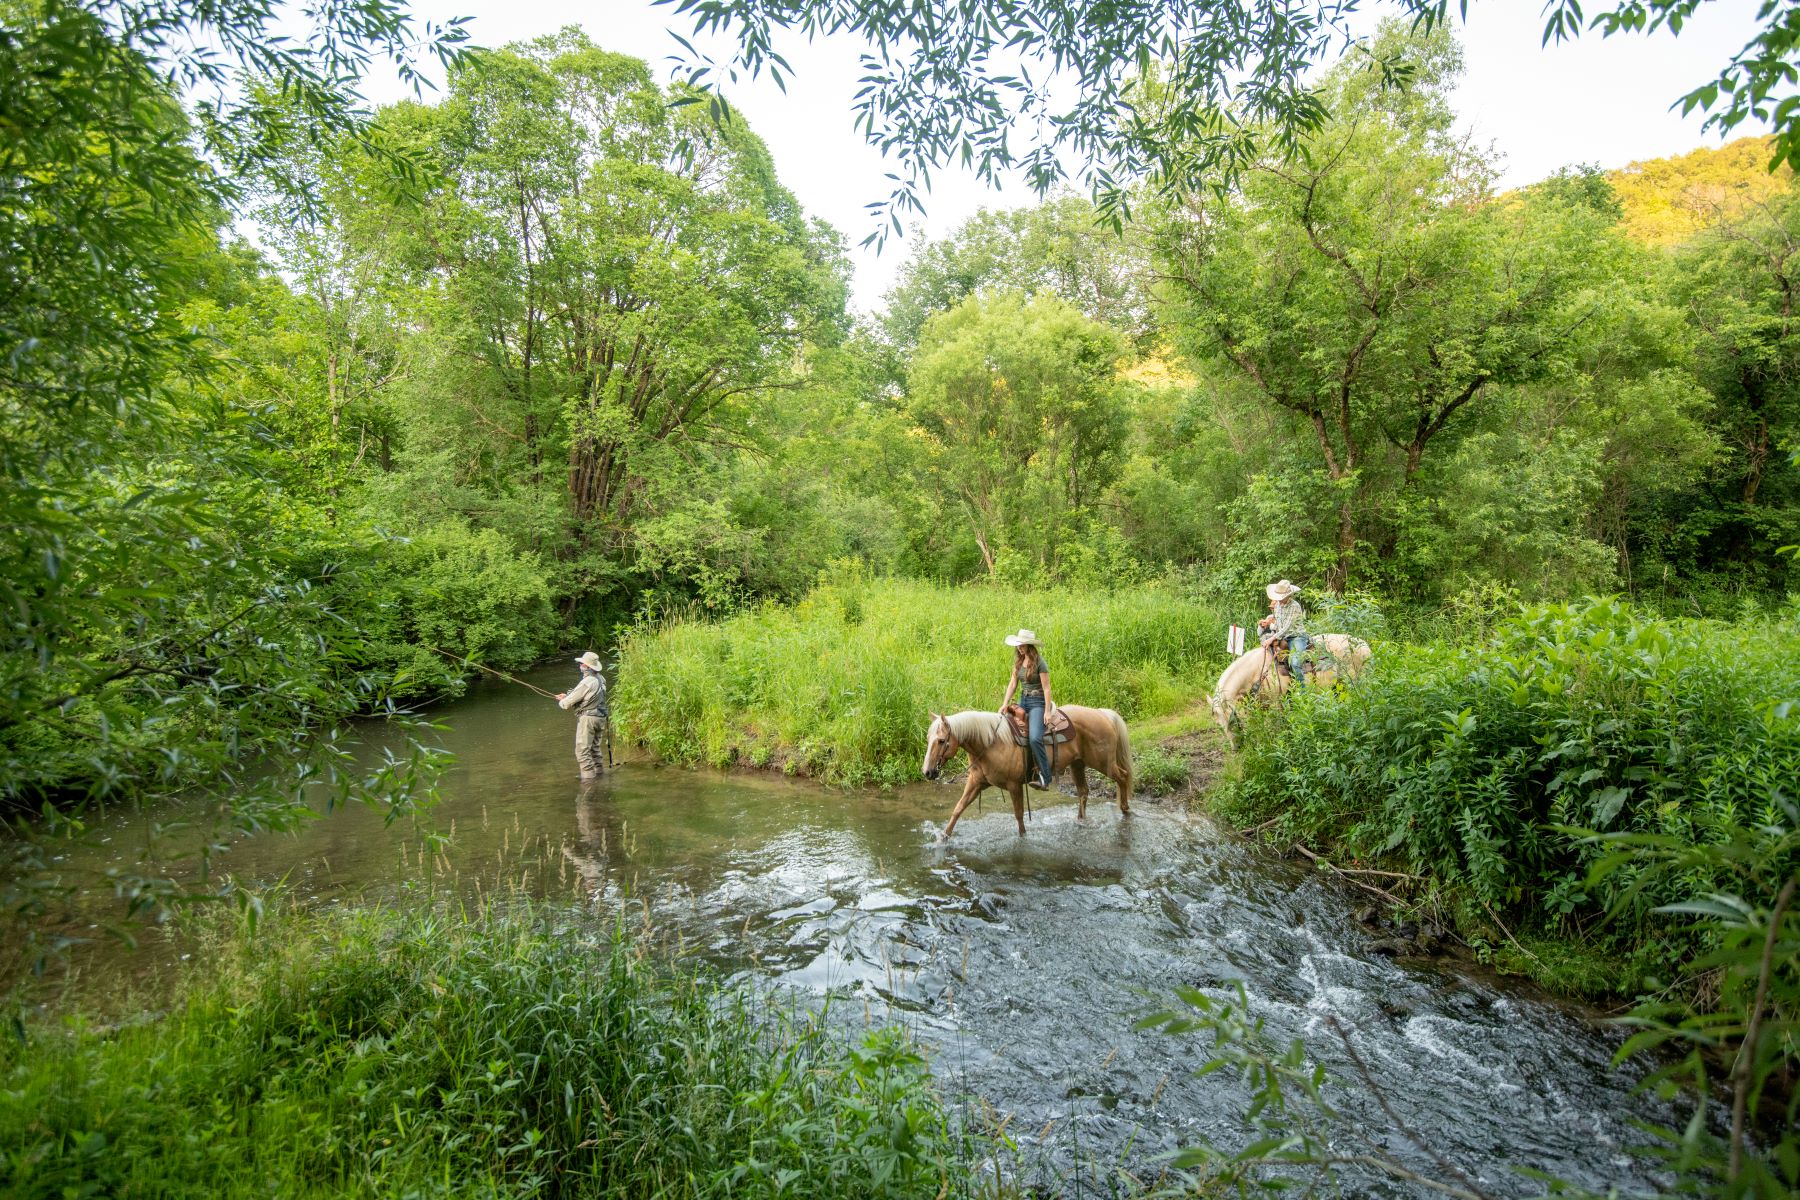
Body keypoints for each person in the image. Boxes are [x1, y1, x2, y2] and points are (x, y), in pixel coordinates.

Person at [997, 628, 1057, 790]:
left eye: (1022, 645)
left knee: (1035, 738)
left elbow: (1047, 688)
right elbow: (1013, 684)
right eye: (1018, 645)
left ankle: (1045, 777)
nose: (1019, 648)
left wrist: (1047, 711)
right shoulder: (1018, 662)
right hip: (1023, 700)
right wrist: (1005, 703)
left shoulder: (1040, 663)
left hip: (1037, 702)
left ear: (1030, 645)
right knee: (1004, 728)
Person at [556, 651, 609, 780]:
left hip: (588, 719)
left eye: (582, 663)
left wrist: (563, 700)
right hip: (600, 717)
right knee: (595, 748)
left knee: (582, 750)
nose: (580, 665)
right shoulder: (601, 679)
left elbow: (566, 704)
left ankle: (588, 781)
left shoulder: (587, 681)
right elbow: (585, 695)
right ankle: (600, 774)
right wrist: (568, 695)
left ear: (587, 667)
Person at [1257, 579, 1309, 688]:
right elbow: (1279, 625)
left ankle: (1303, 692)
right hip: (1283, 637)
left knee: (1295, 663)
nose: (1279, 600)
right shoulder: (1277, 606)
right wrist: (1268, 625)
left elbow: (1287, 627)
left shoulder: (1294, 606)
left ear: (1288, 595)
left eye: (1281, 597)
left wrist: (1271, 639)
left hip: (1296, 636)